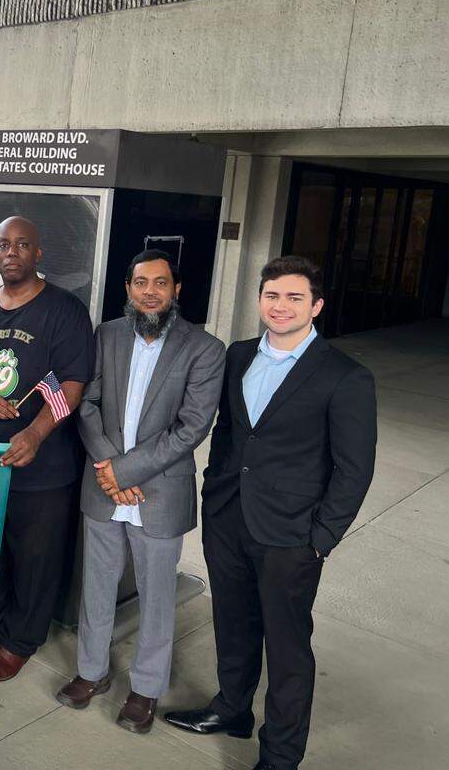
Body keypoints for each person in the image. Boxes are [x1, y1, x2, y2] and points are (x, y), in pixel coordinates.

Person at [164, 256, 376, 770]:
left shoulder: (345, 376)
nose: (280, 306)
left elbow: (355, 469)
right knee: (232, 623)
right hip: (229, 518)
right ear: (260, 299)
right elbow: (232, 434)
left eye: (294, 297)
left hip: (293, 534)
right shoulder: (236, 356)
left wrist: (321, 538)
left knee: (286, 648)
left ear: (316, 306)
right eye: (272, 296)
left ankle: (280, 755)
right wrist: (216, 494)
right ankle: (232, 710)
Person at [57, 250, 226, 734]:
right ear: (128, 289)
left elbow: (192, 428)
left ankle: (146, 688)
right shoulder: (107, 334)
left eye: (160, 282)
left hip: (158, 494)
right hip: (103, 485)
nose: (150, 291)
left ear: (177, 290)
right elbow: (86, 403)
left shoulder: (204, 348)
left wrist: (124, 472)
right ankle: (91, 672)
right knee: (97, 587)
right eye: (140, 282)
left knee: (156, 596)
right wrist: (108, 467)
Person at [0, 216, 93, 682]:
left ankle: (20, 640)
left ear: (38, 254)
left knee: (34, 557)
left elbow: (71, 382)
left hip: (42, 463)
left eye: (22, 244)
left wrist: (34, 433)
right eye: (2, 245)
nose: (11, 252)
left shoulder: (65, 310)